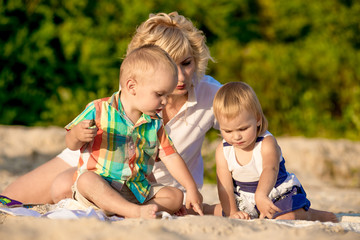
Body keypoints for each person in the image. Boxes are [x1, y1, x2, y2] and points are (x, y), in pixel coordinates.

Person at [2, 12, 222, 215]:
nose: (181, 77)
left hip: (149, 188)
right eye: (171, 66)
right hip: (101, 164)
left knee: (170, 198)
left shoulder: (210, 94)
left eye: (186, 63)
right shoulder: (131, 93)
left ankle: (126, 210)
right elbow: (83, 137)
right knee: (10, 198)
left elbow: (248, 129)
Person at [65, 45, 203, 218]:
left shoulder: (154, 124)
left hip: (136, 190)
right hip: (100, 187)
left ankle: (129, 210)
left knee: (175, 196)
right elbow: (70, 143)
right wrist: (77, 135)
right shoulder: (99, 110)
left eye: (168, 95)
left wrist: (191, 188)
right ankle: (131, 211)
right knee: (86, 180)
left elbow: (171, 156)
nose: (166, 101)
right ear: (132, 87)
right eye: (160, 94)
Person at [213, 82, 338, 222]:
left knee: (285, 217)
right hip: (244, 198)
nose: (236, 136)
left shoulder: (266, 143)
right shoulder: (223, 151)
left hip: (274, 193)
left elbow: (270, 169)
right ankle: (195, 207)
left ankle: (314, 215)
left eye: (243, 129)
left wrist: (261, 195)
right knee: (218, 210)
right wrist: (233, 212)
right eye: (228, 131)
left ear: (257, 119)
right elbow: (225, 187)